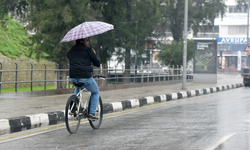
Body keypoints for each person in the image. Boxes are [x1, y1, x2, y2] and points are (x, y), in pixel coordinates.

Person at [67, 38, 100, 120]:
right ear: (82, 41)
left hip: (73, 77)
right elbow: (97, 63)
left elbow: (77, 60)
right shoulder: (88, 50)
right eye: (87, 40)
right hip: (86, 77)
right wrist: (93, 54)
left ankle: (73, 104)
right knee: (95, 92)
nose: (89, 42)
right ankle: (92, 113)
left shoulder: (70, 51)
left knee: (79, 87)